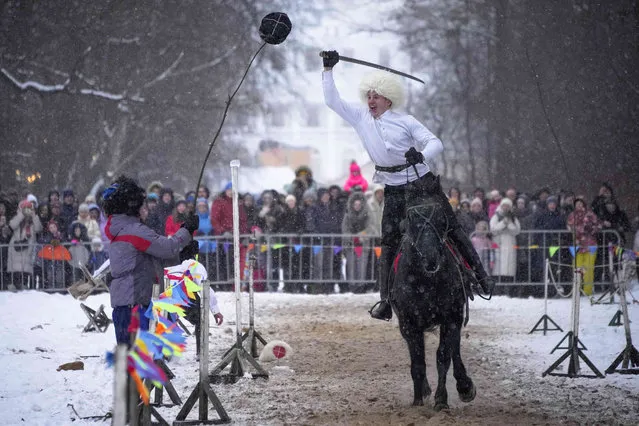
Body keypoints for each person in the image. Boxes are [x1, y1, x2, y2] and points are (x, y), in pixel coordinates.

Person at [322, 51, 494, 320]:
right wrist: (328, 70)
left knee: (451, 227)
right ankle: (386, 300)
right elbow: (331, 101)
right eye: (368, 96)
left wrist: (422, 154)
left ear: (388, 100)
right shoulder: (360, 117)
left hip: (421, 184)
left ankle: (482, 277)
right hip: (392, 188)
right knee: (389, 240)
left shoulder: (406, 121)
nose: (370, 101)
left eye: (375, 96)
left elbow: (436, 142)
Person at [102, 175, 198, 346]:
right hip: (135, 303)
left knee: (130, 358)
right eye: (143, 206)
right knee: (136, 358)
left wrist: (183, 253)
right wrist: (187, 230)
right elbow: (167, 248)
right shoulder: (135, 231)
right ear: (133, 207)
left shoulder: (121, 229)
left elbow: (151, 259)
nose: (146, 209)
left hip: (126, 302)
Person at [7, 200, 42, 290]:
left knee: (25, 270)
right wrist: (21, 214)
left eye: (29, 209)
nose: (27, 211)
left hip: (28, 249)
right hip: (15, 249)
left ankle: (24, 285)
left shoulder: (33, 222)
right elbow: (12, 225)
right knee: (15, 269)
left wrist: (34, 215)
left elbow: (38, 228)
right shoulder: (17, 219)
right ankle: (13, 285)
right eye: (25, 209)